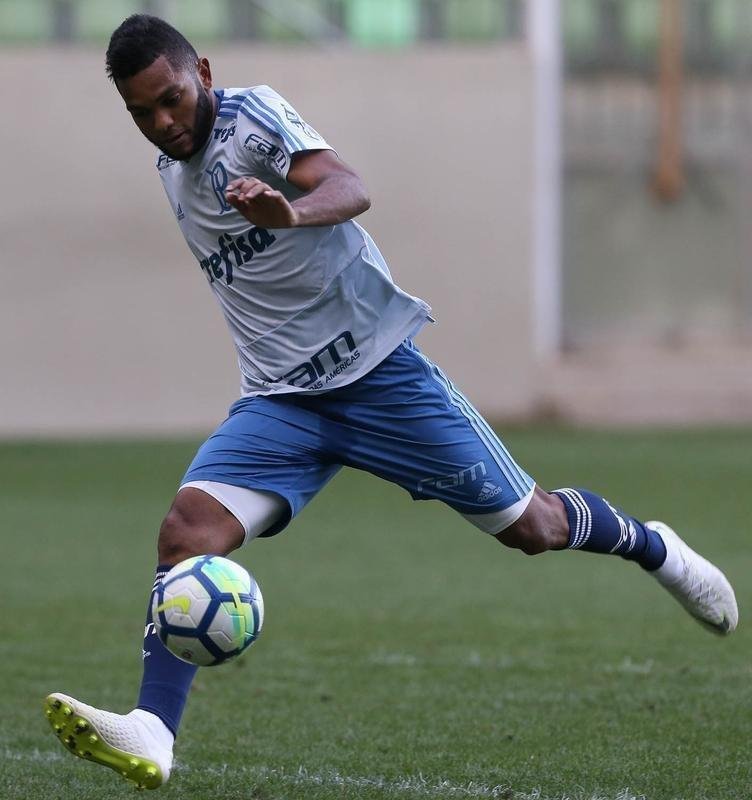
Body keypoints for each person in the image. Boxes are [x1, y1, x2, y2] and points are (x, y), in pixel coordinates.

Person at [44, 14, 738, 791]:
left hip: (379, 377)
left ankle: (656, 547)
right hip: (281, 402)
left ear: (202, 71)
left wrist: (289, 211)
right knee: (186, 534)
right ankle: (154, 730)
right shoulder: (173, 169)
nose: (164, 123)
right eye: (143, 113)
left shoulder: (252, 120)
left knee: (534, 529)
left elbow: (349, 185)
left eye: (172, 98)